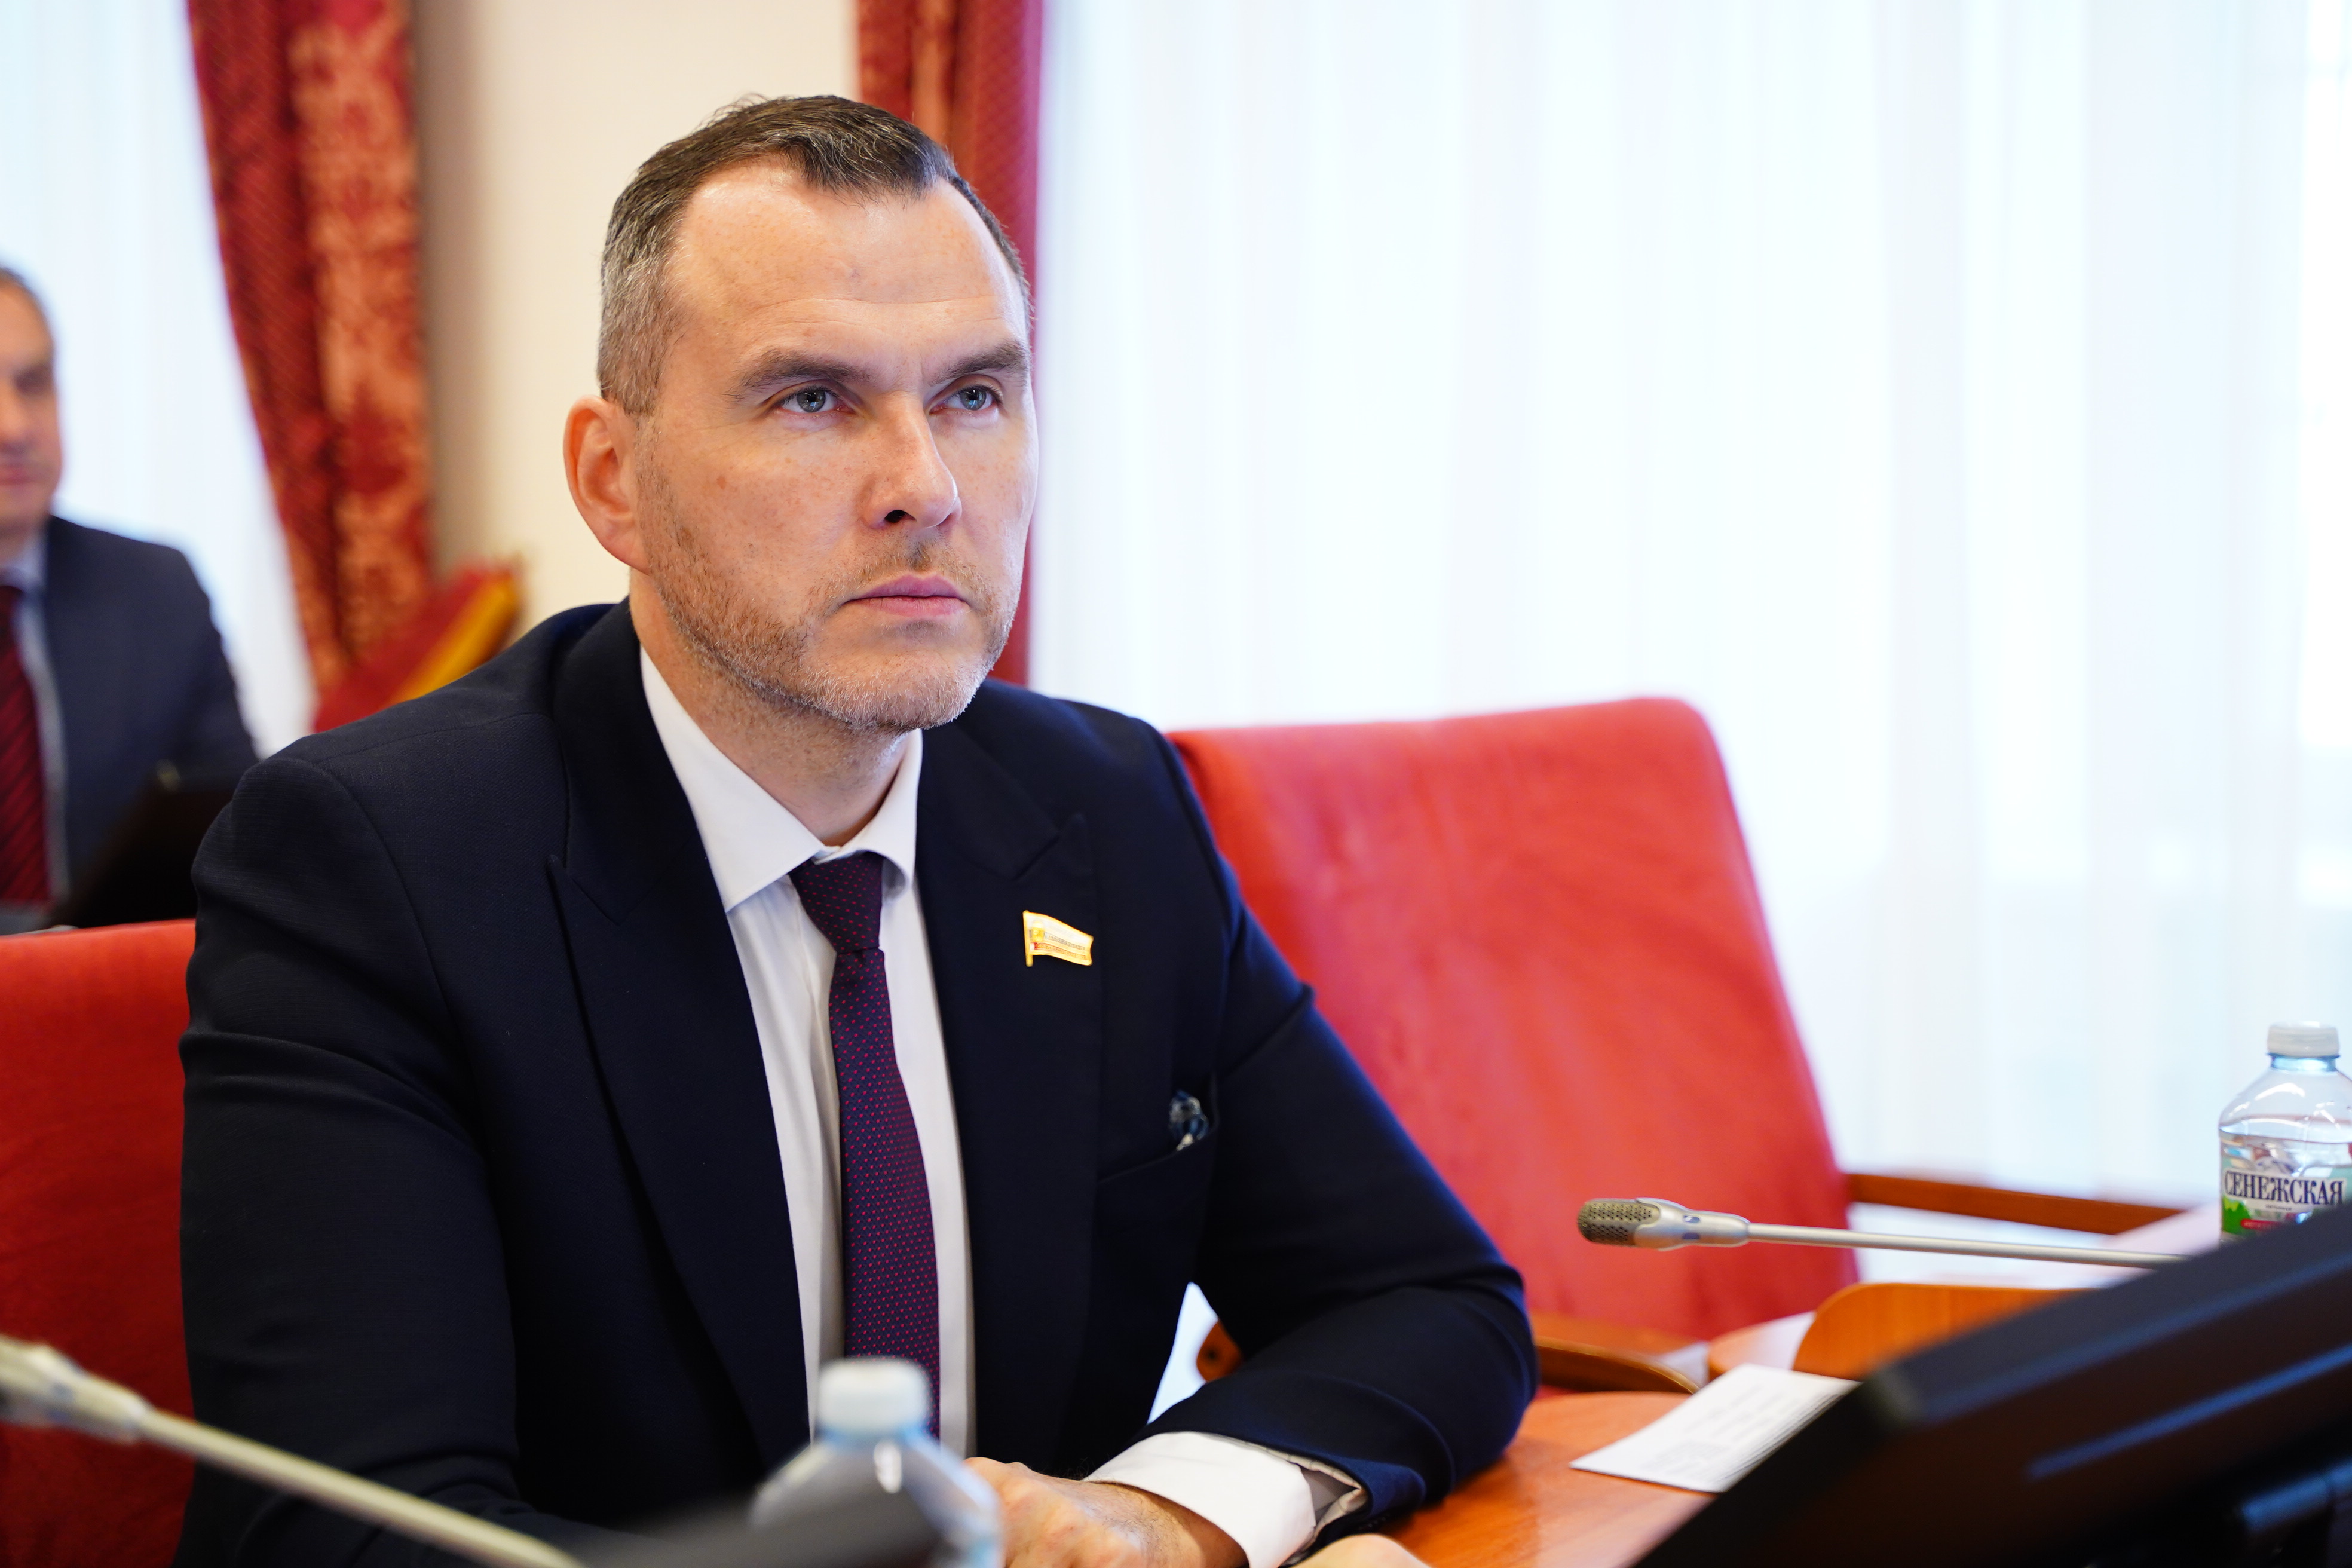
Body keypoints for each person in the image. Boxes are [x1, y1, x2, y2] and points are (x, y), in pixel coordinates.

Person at [176, 97, 1535, 1568]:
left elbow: (1425, 1298)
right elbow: (345, 1526)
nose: (926, 488)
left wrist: (1157, 1517)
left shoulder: (1105, 807)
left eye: (975, 395)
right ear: (614, 481)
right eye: (813, 399)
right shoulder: (378, 862)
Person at [0, 265, 256, 932]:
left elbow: (237, 831)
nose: (16, 426)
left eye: (34, 383)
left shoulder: (156, 591)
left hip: (113, 978)